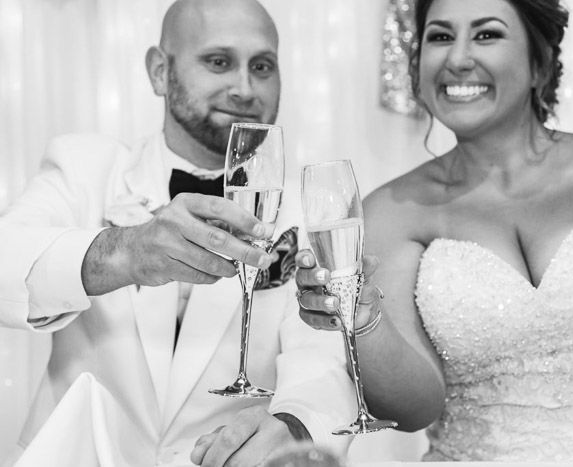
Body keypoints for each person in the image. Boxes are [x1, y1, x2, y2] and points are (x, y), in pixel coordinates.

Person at [295, 0, 573, 462]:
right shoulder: (389, 212)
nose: (458, 58)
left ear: (539, 63)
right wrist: (364, 320)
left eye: (486, 34)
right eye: (440, 37)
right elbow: (412, 409)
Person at [0, 0, 354, 466]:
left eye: (262, 66)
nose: (245, 88)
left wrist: (294, 425)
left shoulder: (308, 211)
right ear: (160, 71)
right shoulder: (84, 167)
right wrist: (125, 252)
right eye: (219, 61)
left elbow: (322, 360)